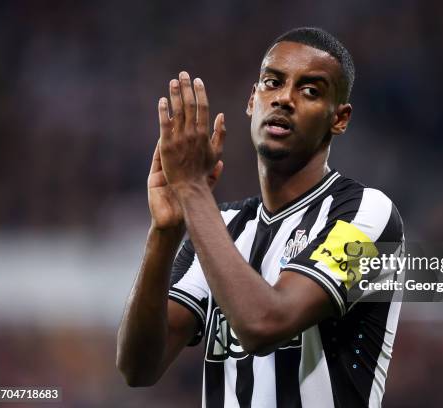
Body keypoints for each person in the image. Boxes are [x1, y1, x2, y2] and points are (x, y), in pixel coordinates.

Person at [116, 27, 404, 408]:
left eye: (310, 90)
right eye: (272, 82)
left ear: (340, 118)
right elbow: (138, 368)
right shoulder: (223, 227)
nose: (284, 98)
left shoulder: (368, 215)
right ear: (253, 99)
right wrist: (165, 232)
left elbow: (264, 325)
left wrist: (192, 191)